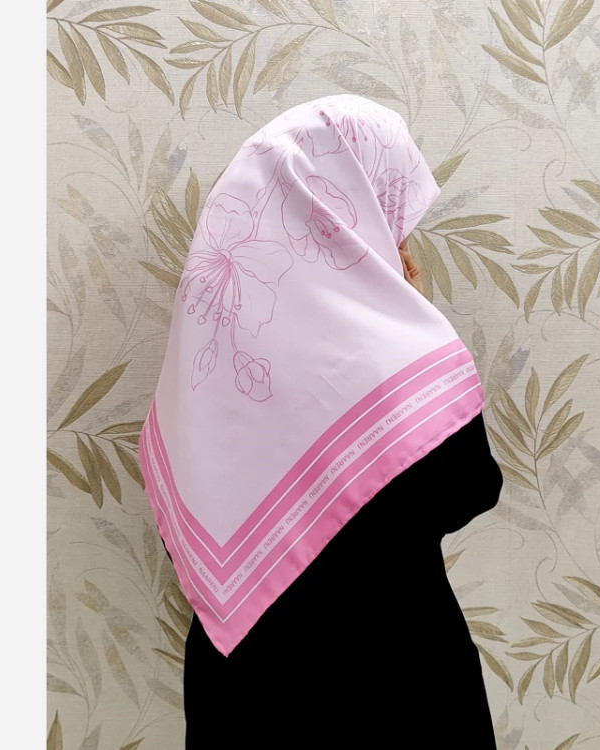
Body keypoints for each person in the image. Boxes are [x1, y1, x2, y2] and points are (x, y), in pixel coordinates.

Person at [139, 94, 502, 746]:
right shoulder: (395, 352)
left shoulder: (204, 362)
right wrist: (412, 312)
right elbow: (469, 485)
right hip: (392, 683)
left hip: (240, 691)